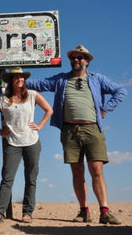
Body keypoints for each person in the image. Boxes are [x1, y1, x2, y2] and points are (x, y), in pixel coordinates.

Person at [26, 45, 127, 224]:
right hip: (70, 131)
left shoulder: (98, 79)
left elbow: (121, 91)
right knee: (77, 171)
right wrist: (17, 79)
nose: (77, 60)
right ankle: (83, 211)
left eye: (80, 58)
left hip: (93, 129)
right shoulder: (61, 80)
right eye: (74, 57)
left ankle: (104, 211)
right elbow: (39, 84)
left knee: (96, 170)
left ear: (87, 61)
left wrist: (105, 108)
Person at [0, 67, 53, 224]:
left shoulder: (33, 95)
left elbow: (49, 110)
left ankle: (27, 212)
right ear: (11, 81)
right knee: (7, 179)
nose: (20, 79)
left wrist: (40, 125)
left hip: (32, 142)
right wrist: (0, 132)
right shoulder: (3, 100)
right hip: (12, 143)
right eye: (16, 77)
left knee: (31, 178)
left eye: (22, 77)